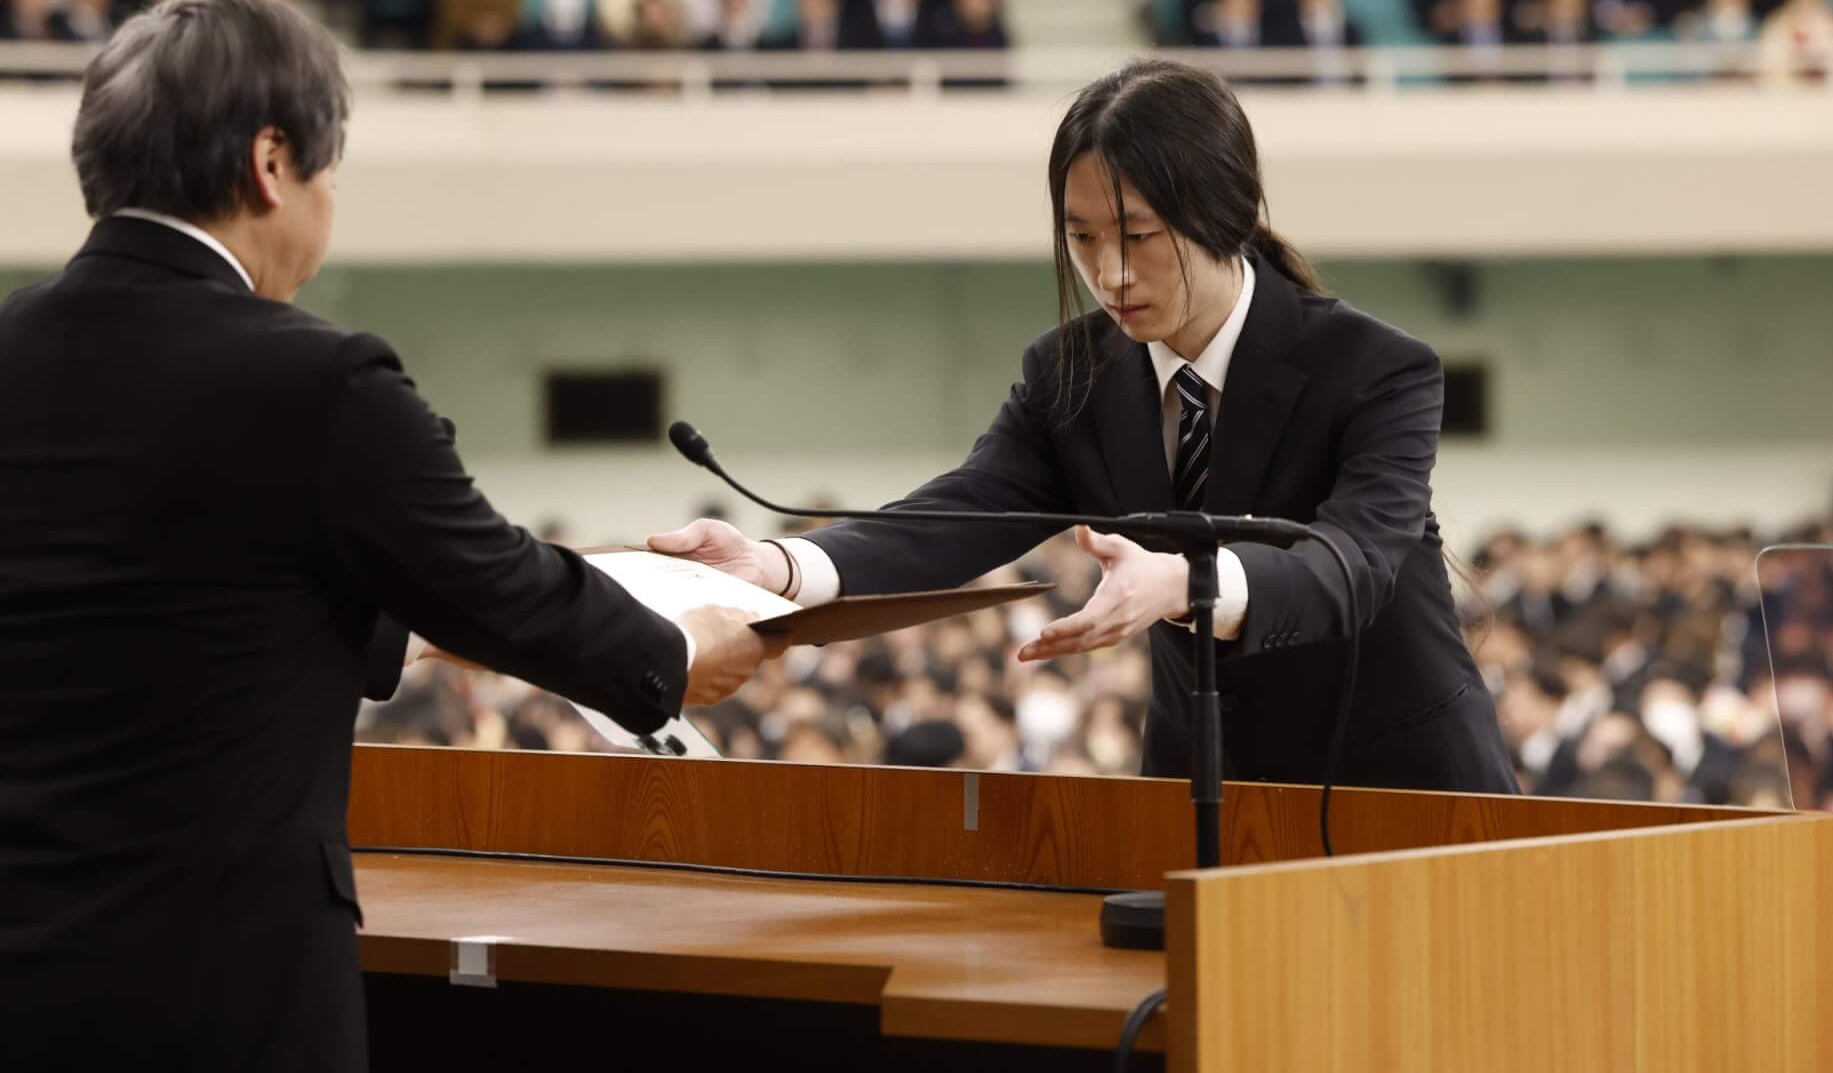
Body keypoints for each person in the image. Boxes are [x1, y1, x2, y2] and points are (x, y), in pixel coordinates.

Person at [0, 0, 780, 1072]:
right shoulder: (315, 378)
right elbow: (494, 582)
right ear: (269, 162)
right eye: (330, 169)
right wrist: (671, 652)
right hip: (198, 999)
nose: (330, 198)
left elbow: (195, 601)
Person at [650, 59, 1516, 795]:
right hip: (1203, 777)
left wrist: (1188, 584)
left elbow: (1356, 561)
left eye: (1138, 235)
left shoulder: (1376, 368)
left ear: (1231, 209)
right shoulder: (1072, 371)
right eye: (1082, 237)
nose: (1109, 272)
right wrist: (781, 564)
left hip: (1402, 777)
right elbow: (968, 510)